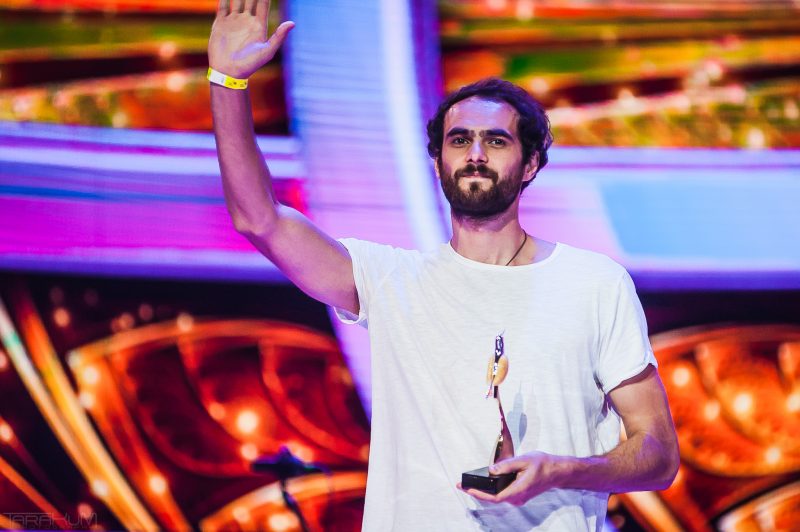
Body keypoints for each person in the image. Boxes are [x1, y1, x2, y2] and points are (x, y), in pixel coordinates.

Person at [208, 1, 680, 530]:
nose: (475, 154)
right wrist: (227, 82)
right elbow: (259, 220)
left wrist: (562, 470)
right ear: (437, 162)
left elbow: (659, 454)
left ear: (530, 164)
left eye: (496, 140)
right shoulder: (389, 281)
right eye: (460, 140)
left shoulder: (594, 283)